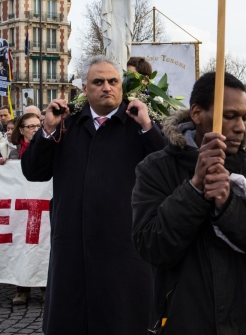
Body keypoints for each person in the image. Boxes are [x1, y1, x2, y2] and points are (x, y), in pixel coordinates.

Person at [131, 72, 246, 334]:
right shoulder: (156, 168)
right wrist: (194, 189)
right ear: (196, 113)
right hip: (185, 319)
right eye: (229, 116)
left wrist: (229, 207)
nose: (241, 127)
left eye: (245, 117)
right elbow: (151, 247)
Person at [21, 55, 166, 334]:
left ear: (122, 87)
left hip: (124, 250)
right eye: (97, 82)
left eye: (113, 81)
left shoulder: (139, 125)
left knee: (123, 322)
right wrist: (47, 129)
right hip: (72, 250)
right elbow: (34, 171)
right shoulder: (67, 125)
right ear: (85, 89)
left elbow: (165, 171)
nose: (106, 87)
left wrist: (149, 128)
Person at [3, 113, 45, 304]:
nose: (35, 130)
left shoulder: (46, 146)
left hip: (42, 207)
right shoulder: (13, 152)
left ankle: (45, 286)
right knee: (20, 245)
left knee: (43, 244)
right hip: (20, 211)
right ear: (21, 130)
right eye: (31, 127)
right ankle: (22, 290)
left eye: (38, 126)